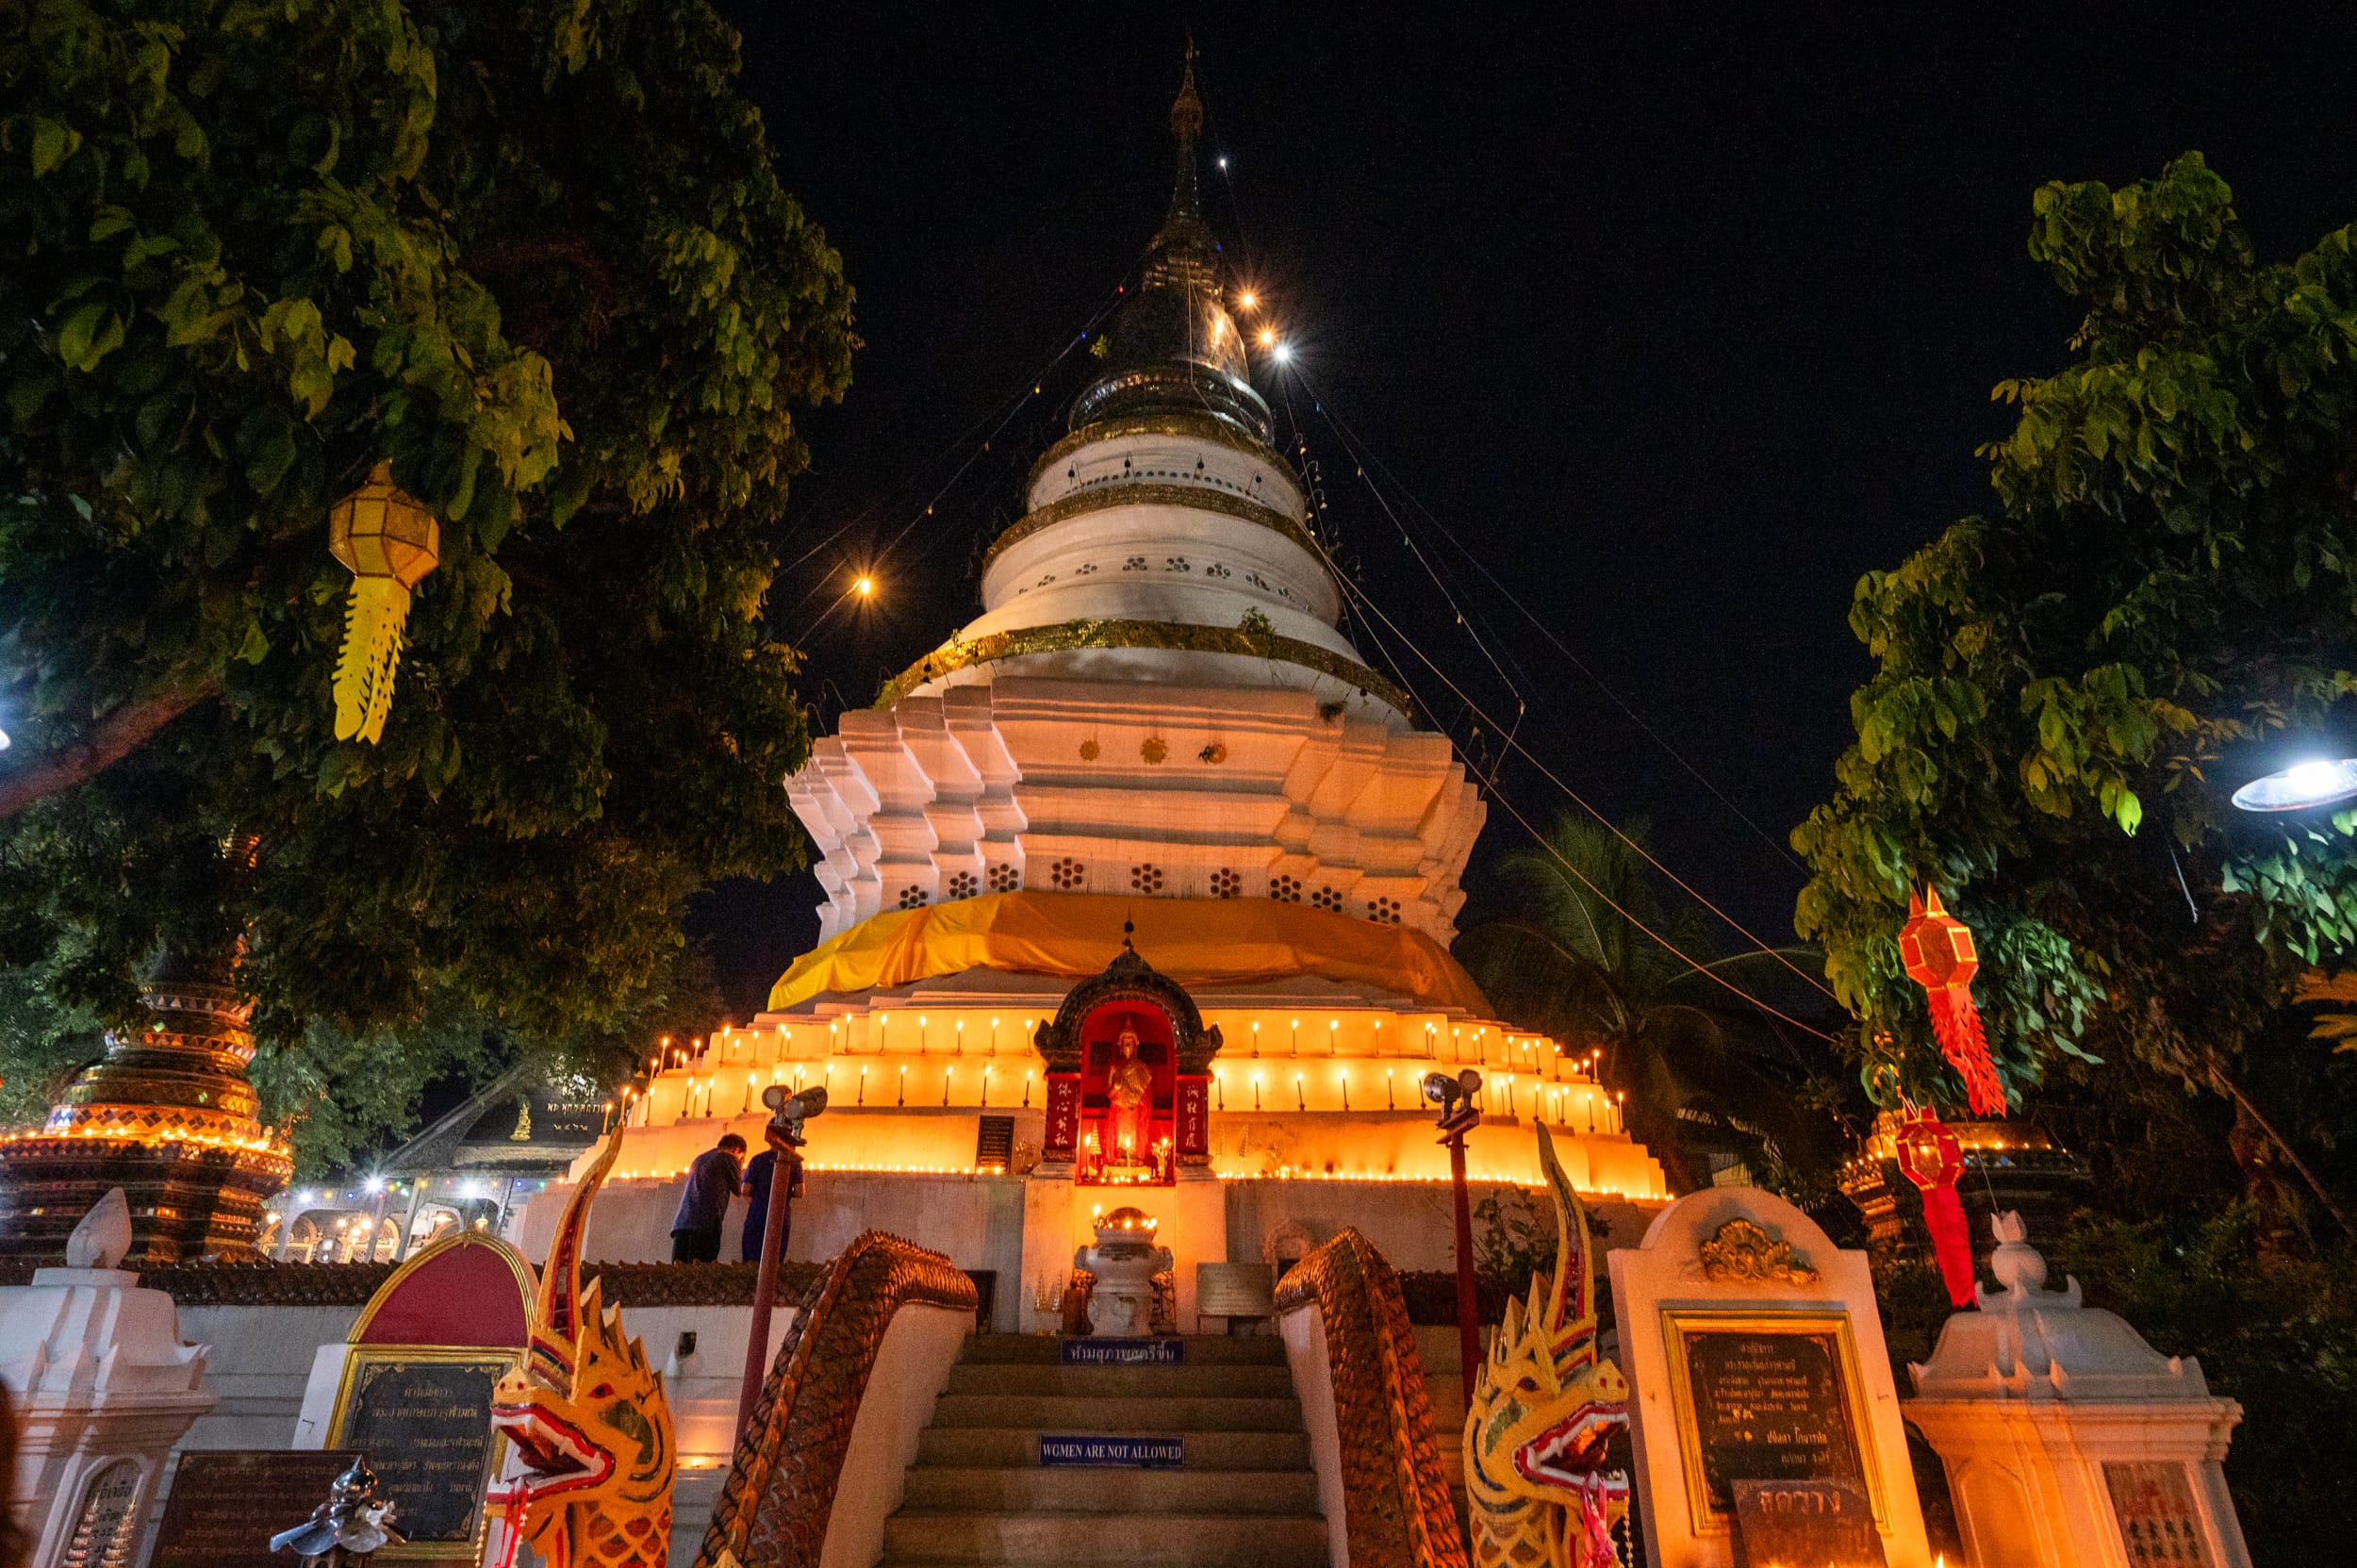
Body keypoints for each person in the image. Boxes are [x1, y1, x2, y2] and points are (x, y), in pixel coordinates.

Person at [669, 1132, 744, 1263]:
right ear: (736, 1150)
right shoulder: (727, 1157)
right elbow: (739, 1188)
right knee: (700, 1274)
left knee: (678, 1274)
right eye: (741, 1158)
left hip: (682, 1225)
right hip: (705, 1225)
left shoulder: (699, 1158)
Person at [739, 1140, 807, 1263]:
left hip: (757, 1214)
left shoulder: (757, 1159)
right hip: (780, 1215)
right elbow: (799, 1192)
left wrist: (759, 1202)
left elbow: (745, 1189)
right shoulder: (794, 1162)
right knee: (774, 1260)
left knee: (751, 1260)